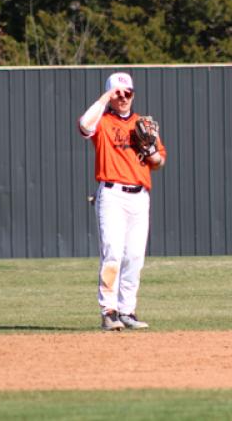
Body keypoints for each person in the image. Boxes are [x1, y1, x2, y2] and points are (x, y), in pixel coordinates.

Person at [78, 72, 166, 331]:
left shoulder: (143, 124)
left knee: (135, 257)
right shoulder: (103, 122)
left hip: (140, 196)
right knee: (113, 254)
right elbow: (84, 124)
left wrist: (151, 153)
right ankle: (108, 311)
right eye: (119, 93)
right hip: (112, 194)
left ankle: (127, 310)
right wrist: (106, 97)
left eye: (128, 92)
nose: (124, 97)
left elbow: (160, 162)